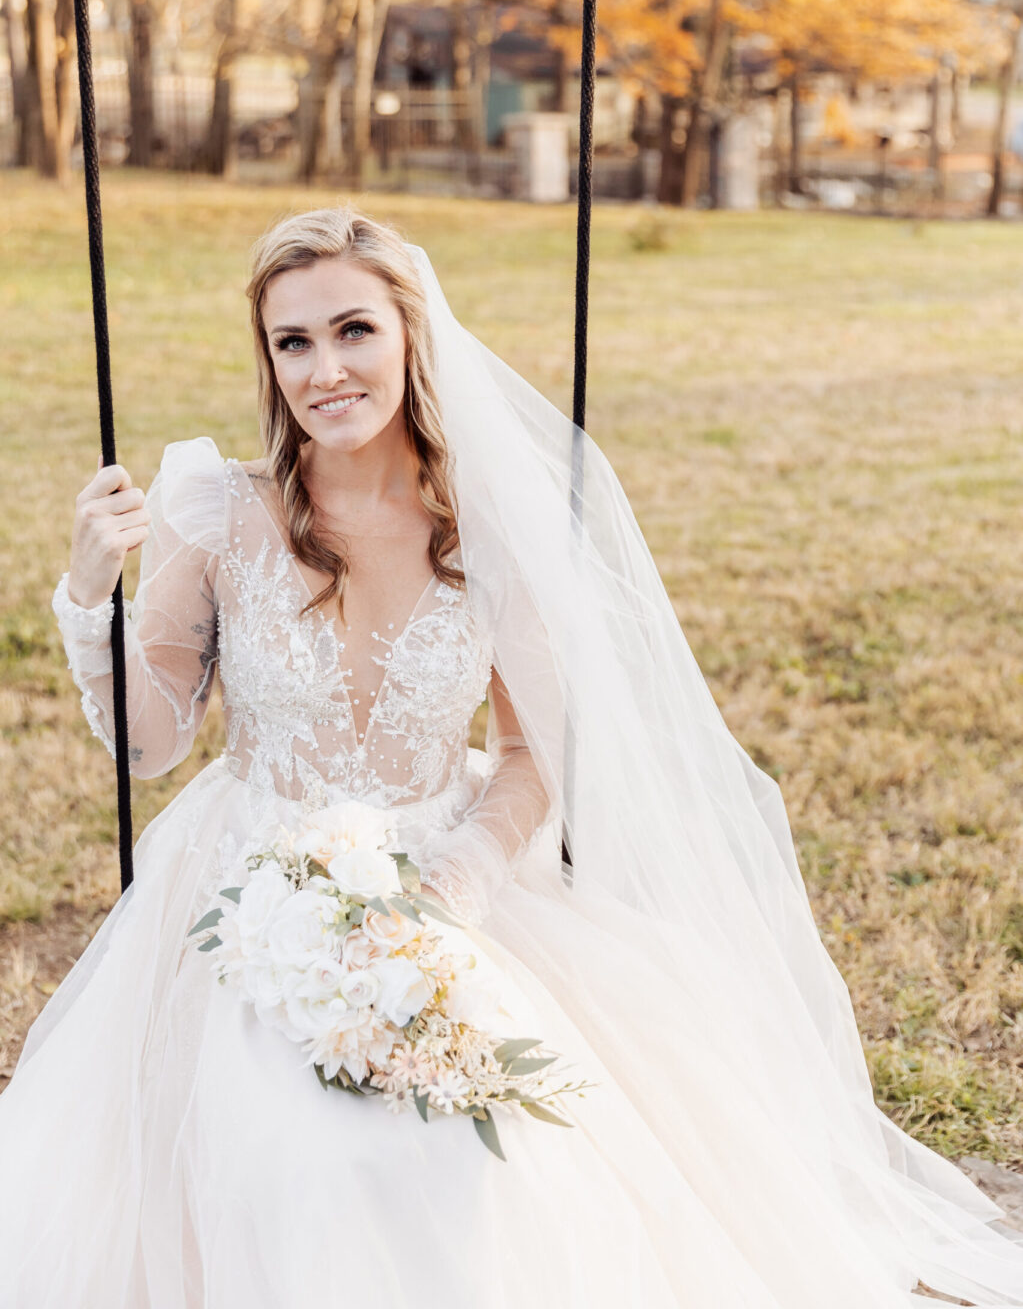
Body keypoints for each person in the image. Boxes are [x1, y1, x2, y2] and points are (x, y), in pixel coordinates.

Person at [1, 206, 1021, 1309]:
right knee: (291, 1160)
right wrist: (88, 596)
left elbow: (536, 750)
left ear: (410, 337)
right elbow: (149, 749)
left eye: (354, 331)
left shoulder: (485, 524)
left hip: (448, 881)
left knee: (482, 1155)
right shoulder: (220, 511)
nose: (324, 369)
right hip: (242, 887)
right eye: (292, 342)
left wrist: (462, 879)